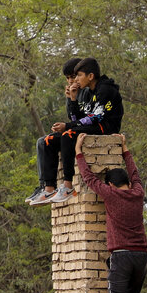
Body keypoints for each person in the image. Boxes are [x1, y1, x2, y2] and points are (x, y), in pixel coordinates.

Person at [76, 132, 147, 293]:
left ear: (111, 185)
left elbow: (88, 179)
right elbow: (135, 173)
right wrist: (125, 149)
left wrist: (78, 152)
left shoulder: (110, 194)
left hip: (121, 256)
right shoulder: (137, 193)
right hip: (141, 255)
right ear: (127, 182)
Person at [30, 57, 123, 205]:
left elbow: (95, 117)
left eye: (78, 75)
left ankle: (67, 185)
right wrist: (72, 99)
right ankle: (48, 188)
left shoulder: (105, 89)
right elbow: (79, 118)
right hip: (93, 125)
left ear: (90, 76)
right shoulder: (90, 91)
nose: (75, 80)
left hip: (104, 128)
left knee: (68, 134)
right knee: (49, 140)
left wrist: (68, 126)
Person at [25, 57, 85, 204]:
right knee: (42, 141)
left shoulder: (87, 92)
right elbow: (72, 117)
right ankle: (45, 187)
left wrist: (73, 100)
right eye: (68, 78)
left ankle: (64, 185)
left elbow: (80, 119)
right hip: (74, 129)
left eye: (73, 77)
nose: (71, 81)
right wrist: (70, 99)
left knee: (57, 138)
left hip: (83, 131)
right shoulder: (75, 91)